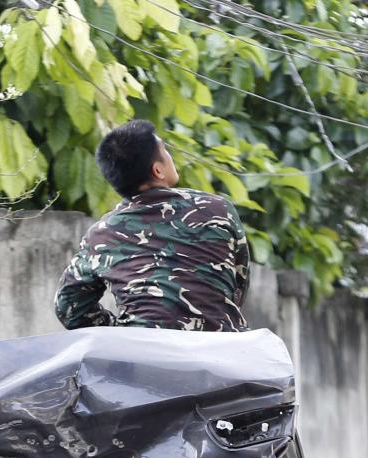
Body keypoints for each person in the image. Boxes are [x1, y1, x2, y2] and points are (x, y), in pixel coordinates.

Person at [54, 120, 250, 332]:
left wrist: (117, 331)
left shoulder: (102, 234)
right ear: (158, 170)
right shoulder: (218, 209)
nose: (170, 155)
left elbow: (68, 308)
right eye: (165, 150)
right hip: (221, 349)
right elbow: (238, 284)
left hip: (142, 353)